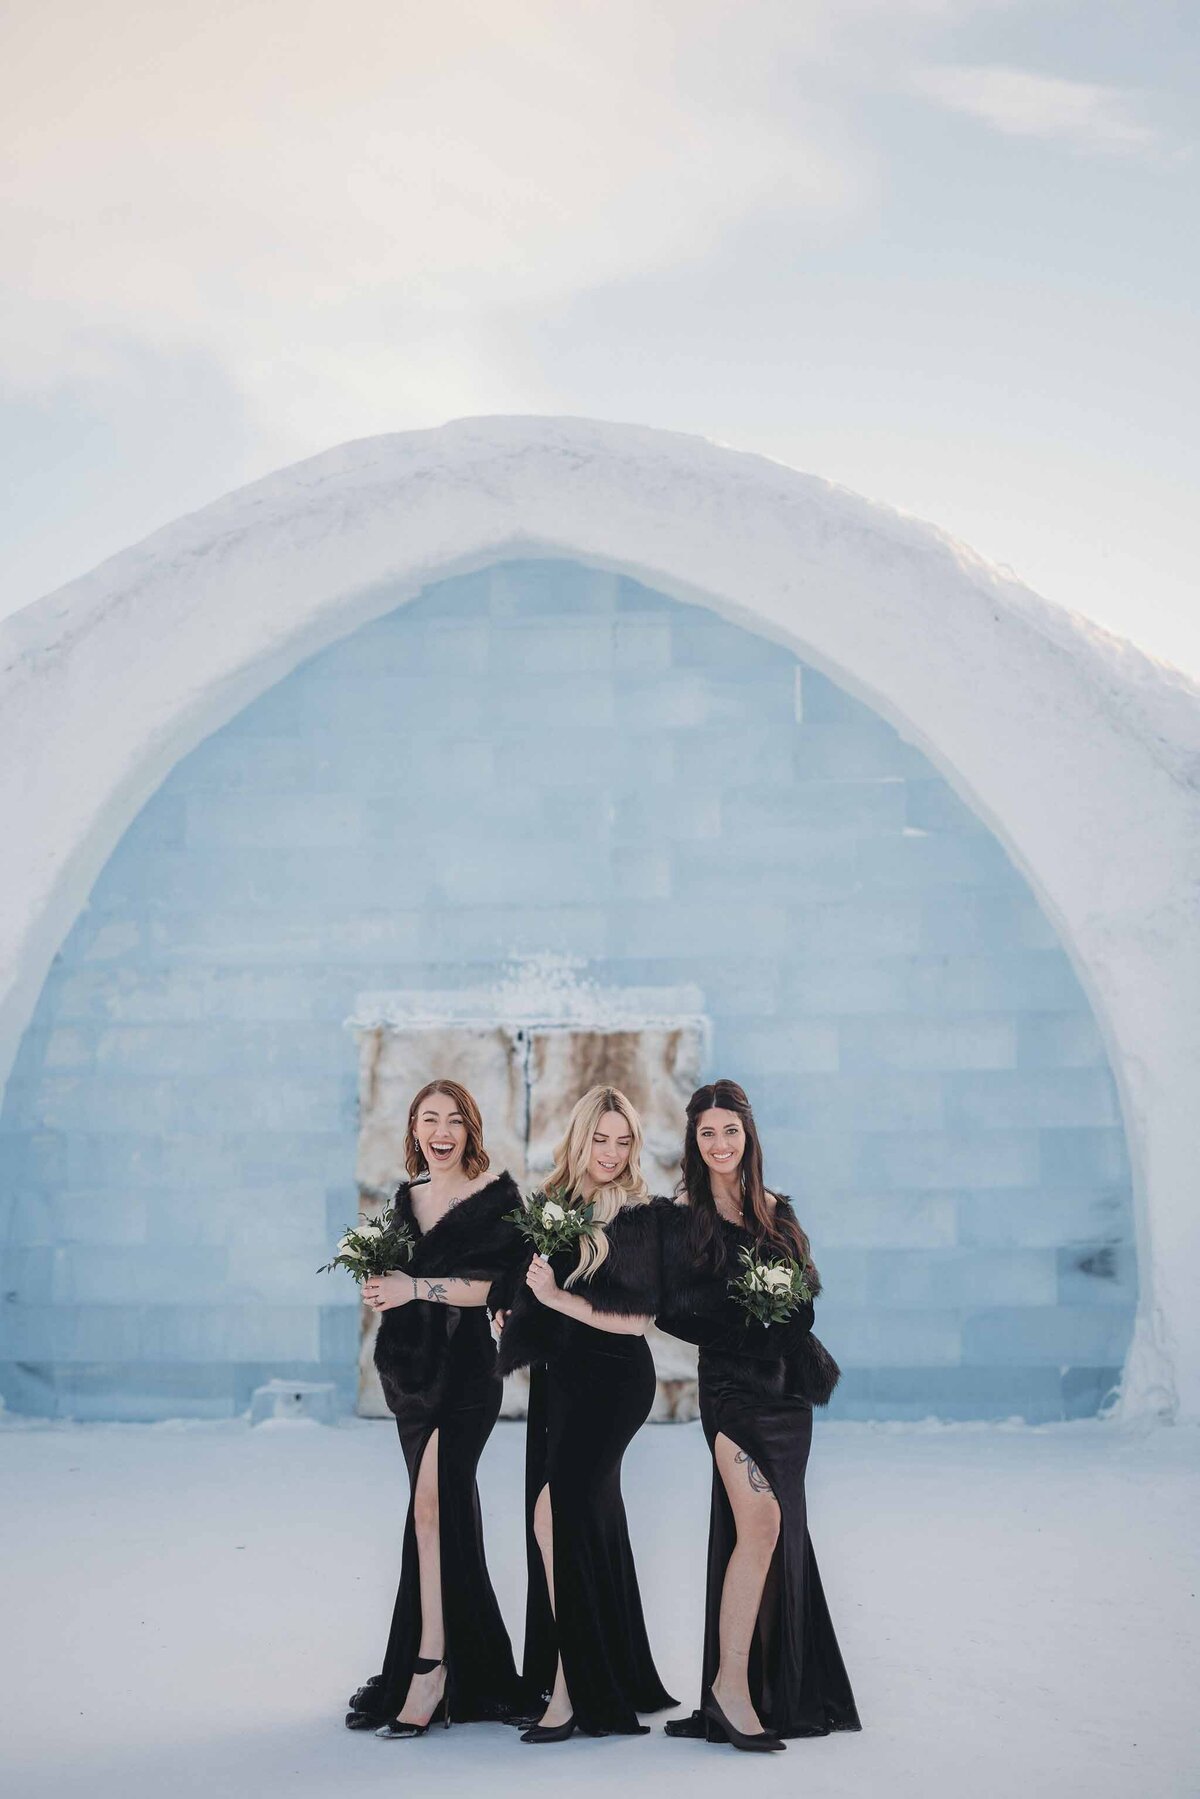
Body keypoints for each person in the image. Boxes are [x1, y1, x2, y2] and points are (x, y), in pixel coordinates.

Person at [657, 1078, 860, 1751]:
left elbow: (804, 1306)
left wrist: (776, 1314)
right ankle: (730, 1689)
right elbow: (670, 1312)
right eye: (707, 1132)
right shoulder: (682, 1218)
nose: (719, 1143)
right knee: (762, 1519)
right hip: (732, 1397)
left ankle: (773, 1687)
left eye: (730, 1130)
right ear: (695, 1139)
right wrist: (746, 1322)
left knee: (779, 1534)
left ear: (749, 1135)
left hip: (786, 1400)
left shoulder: (780, 1212)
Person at [496, 1084, 676, 1743]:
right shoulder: (555, 1206)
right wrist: (511, 1309)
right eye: (599, 1138)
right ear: (578, 1139)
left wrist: (554, 1298)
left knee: (558, 1512)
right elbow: (530, 1284)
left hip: (614, 1383)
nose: (610, 1150)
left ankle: (572, 1691)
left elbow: (637, 1321)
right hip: (562, 1382)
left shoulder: (639, 1214)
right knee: (568, 1518)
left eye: (622, 1139)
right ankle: (594, 1666)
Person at [345, 1079, 525, 1738]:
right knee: (440, 1512)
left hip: (469, 1377)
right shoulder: (405, 1199)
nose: (441, 1130)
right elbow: (391, 1280)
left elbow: (492, 1289)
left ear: (469, 1128)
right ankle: (460, 1659)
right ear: (416, 1129)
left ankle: (431, 1666)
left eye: (453, 1119)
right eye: (429, 1118)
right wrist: (380, 1290)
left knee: (429, 1506)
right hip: (412, 1378)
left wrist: (414, 1285)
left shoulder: (497, 1198)